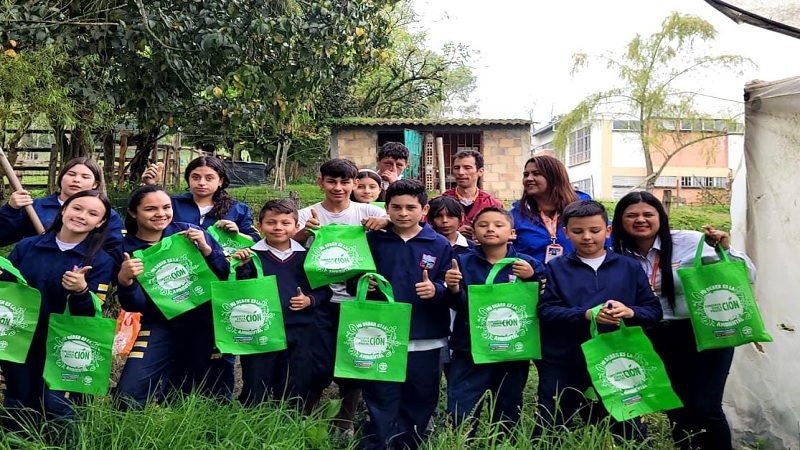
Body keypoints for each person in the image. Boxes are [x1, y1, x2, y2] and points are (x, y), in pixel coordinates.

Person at [611, 191, 755, 450]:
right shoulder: (616, 253)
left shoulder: (691, 242)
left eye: (647, 214)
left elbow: (747, 274)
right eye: (631, 215)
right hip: (653, 335)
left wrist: (724, 249)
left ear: (660, 217)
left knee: (705, 405)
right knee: (676, 405)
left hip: (702, 331)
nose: (640, 220)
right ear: (620, 220)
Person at [536, 200, 662, 437]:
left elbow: (653, 311)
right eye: (577, 231)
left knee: (627, 428)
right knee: (551, 422)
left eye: (594, 231)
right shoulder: (555, 268)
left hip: (618, 359)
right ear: (566, 233)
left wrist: (630, 312)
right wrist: (585, 314)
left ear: (608, 230)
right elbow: (546, 311)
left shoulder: (629, 267)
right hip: (566, 359)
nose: (587, 237)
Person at [352, 179, 454, 450]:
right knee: (379, 397)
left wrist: (437, 289)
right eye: (396, 207)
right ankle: (377, 445)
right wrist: (363, 283)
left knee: (421, 397)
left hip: (426, 336)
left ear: (425, 209)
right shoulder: (373, 240)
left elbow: (452, 286)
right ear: (386, 208)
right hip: (379, 336)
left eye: (411, 207)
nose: (404, 213)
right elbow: (353, 280)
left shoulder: (439, 244)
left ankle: (410, 444)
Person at [0, 190, 114, 424]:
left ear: (100, 223)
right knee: (19, 399)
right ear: (63, 210)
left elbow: (91, 316)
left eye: (93, 213)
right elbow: (8, 291)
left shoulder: (100, 261)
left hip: (67, 344)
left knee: (57, 404)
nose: (82, 216)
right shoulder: (27, 247)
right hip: (22, 337)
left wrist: (81, 291)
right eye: (77, 208)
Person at [294, 158, 389, 433]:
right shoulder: (306, 213)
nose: (338, 187)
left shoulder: (368, 210)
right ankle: (305, 416)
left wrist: (383, 221)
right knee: (319, 363)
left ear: (354, 184)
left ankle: (344, 421)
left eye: (345, 182)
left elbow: (400, 223)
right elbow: (286, 247)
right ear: (320, 182)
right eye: (332, 181)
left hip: (358, 300)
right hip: (320, 300)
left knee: (354, 359)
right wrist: (304, 233)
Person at [114, 185, 231, 407]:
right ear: (132, 212)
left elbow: (226, 275)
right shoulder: (125, 248)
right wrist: (125, 280)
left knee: (193, 392)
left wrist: (207, 250)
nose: (161, 214)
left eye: (166, 207)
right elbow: (134, 304)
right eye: (150, 209)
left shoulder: (189, 233)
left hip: (204, 322)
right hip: (159, 324)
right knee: (129, 393)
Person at [444, 206, 545, 433]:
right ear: (473, 231)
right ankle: (461, 442)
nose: (490, 229)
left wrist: (533, 278)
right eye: (483, 225)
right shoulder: (461, 262)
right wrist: (453, 289)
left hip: (512, 350)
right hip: (469, 348)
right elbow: (459, 305)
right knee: (462, 405)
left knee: (508, 406)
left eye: (498, 225)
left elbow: (544, 300)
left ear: (512, 233)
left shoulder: (526, 265)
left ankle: (503, 442)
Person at [232, 199, 332, 408]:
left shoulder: (307, 257)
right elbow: (239, 292)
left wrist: (309, 300)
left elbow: (324, 292)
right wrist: (240, 267)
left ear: (297, 227)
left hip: (299, 331)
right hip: (261, 332)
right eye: (271, 222)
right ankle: (250, 426)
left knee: (295, 383)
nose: (278, 228)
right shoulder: (251, 255)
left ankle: (290, 428)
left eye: (285, 223)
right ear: (260, 226)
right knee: (255, 383)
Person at [0, 157, 125, 256]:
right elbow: (3, 237)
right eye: (71, 174)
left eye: (85, 177)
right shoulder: (34, 207)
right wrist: (11, 209)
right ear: (61, 178)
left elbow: (115, 249)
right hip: (33, 270)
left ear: (95, 184)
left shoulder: (105, 214)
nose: (76, 180)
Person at [141, 155, 260, 242]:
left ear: (221, 181)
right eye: (196, 177)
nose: (202, 183)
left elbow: (255, 239)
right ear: (188, 179)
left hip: (222, 268)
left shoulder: (238, 209)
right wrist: (150, 185)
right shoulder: (173, 204)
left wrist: (237, 234)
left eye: (209, 178)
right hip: (176, 266)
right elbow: (146, 225)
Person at [510, 155, 593, 264]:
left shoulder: (584, 208)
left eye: (536, 174)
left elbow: (603, 242)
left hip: (577, 278)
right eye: (526, 175)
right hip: (532, 279)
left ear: (554, 176)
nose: (529, 178)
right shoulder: (515, 216)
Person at [439, 149, 503, 239]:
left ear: (480, 171)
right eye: (457, 168)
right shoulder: (440, 203)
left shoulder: (493, 205)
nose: (460, 172)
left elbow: (502, 233)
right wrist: (454, 233)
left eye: (467, 168)